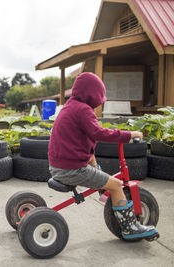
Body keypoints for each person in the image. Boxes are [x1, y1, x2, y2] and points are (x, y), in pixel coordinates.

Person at [48, 72, 158, 241]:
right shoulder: (83, 110)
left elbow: (83, 140)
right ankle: (130, 228)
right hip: (71, 169)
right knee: (116, 184)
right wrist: (129, 135)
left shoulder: (71, 106)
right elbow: (99, 133)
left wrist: (94, 164)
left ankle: (105, 189)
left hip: (59, 165)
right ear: (93, 94)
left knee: (99, 169)